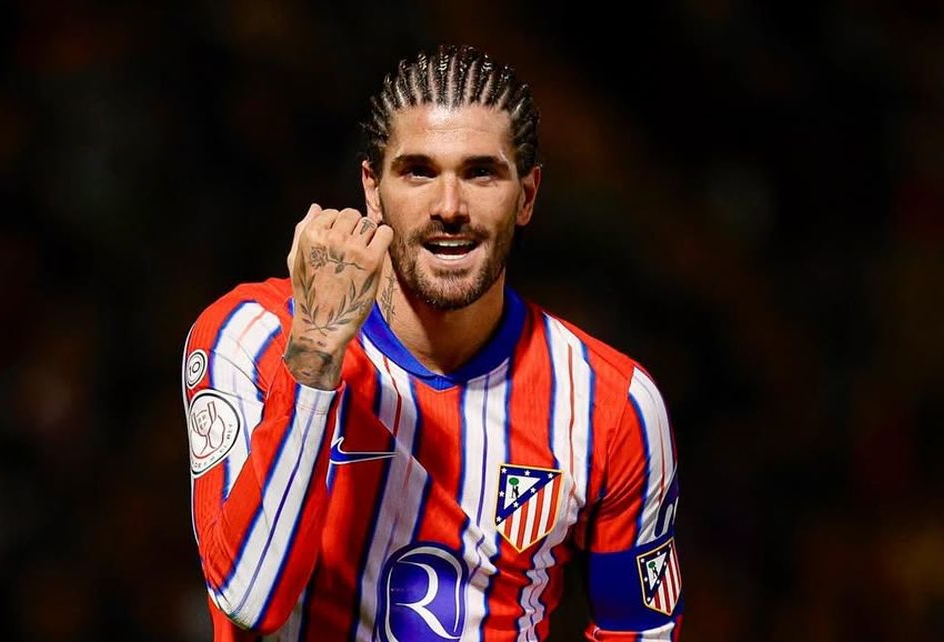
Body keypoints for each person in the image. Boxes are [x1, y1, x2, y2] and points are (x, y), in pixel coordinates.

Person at [180, 43, 683, 641]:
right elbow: (249, 599)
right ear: (373, 188)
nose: (450, 208)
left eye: (481, 172)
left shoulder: (614, 404)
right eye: (418, 171)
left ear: (526, 195)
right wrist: (315, 353)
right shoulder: (249, 336)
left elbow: (640, 630)